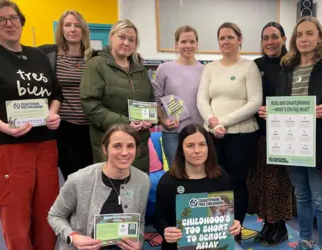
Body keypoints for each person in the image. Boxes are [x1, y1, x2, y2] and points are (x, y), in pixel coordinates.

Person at [259, 17, 322, 250]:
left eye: (310, 33)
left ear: (319, 37)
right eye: (300, 35)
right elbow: (281, 103)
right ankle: (306, 243)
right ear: (294, 40)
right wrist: (270, 112)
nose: (304, 39)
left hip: (319, 142)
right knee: (302, 197)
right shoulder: (288, 68)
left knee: (321, 199)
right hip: (291, 144)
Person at [0, 1, 62, 250]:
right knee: (15, 217)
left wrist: (52, 114)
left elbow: (55, 94)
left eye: (13, 18)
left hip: (45, 145)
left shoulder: (38, 56)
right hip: (7, 147)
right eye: (1, 19)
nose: (9, 23)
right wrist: (6, 128)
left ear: (22, 21)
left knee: (47, 212)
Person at [48, 124, 151, 250]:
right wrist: (74, 237)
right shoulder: (79, 179)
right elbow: (55, 216)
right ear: (104, 149)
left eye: (130, 146)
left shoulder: (142, 181)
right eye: (117, 146)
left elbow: (139, 220)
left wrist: (138, 242)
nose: (124, 152)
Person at [197, 22, 262, 234]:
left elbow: (254, 102)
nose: (225, 41)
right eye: (222, 38)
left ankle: (236, 231)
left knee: (236, 182)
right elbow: (201, 100)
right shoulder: (210, 68)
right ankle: (217, 230)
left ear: (240, 40)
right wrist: (212, 122)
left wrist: (222, 121)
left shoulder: (249, 67)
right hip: (213, 135)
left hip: (242, 136)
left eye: (230, 37)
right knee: (215, 181)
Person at [153, 124, 247, 250]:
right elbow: (158, 218)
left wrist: (234, 223)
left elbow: (226, 214)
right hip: (179, 248)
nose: (197, 151)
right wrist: (165, 230)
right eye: (190, 145)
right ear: (182, 150)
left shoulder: (221, 176)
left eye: (202, 144)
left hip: (215, 244)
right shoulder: (168, 181)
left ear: (209, 147)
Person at [81, 19, 154, 174]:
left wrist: (151, 120)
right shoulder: (96, 65)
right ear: (111, 36)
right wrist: (126, 123)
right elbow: (91, 105)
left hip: (138, 145)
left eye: (131, 40)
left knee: (138, 190)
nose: (126, 43)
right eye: (122, 37)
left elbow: (150, 100)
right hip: (110, 144)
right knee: (112, 191)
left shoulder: (140, 69)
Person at [246, 21, 295, 247]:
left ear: (284, 39)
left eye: (274, 37)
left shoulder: (293, 64)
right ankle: (267, 222)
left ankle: (280, 226)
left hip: (286, 135)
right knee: (261, 182)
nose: (270, 42)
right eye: (265, 38)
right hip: (260, 133)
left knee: (279, 183)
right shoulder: (255, 65)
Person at [39, 10, 93, 180]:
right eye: (68, 25)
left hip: (90, 126)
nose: (72, 29)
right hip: (63, 127)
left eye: (77, 25)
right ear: (61, 29)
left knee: (91, 175)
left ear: (83, 30)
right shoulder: (48, 55)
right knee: (72, 177)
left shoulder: (93, 57)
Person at [153, 25, 204, 165]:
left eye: (192, 42)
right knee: (176, 174)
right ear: (176, 45)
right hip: (172, 133)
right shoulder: (164, 69)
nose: (188, 45)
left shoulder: (205, 71)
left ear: (197, 44)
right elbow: (155, 100)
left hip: (198, 134)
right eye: (183, 42)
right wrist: (163, 119)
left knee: (198, 173)